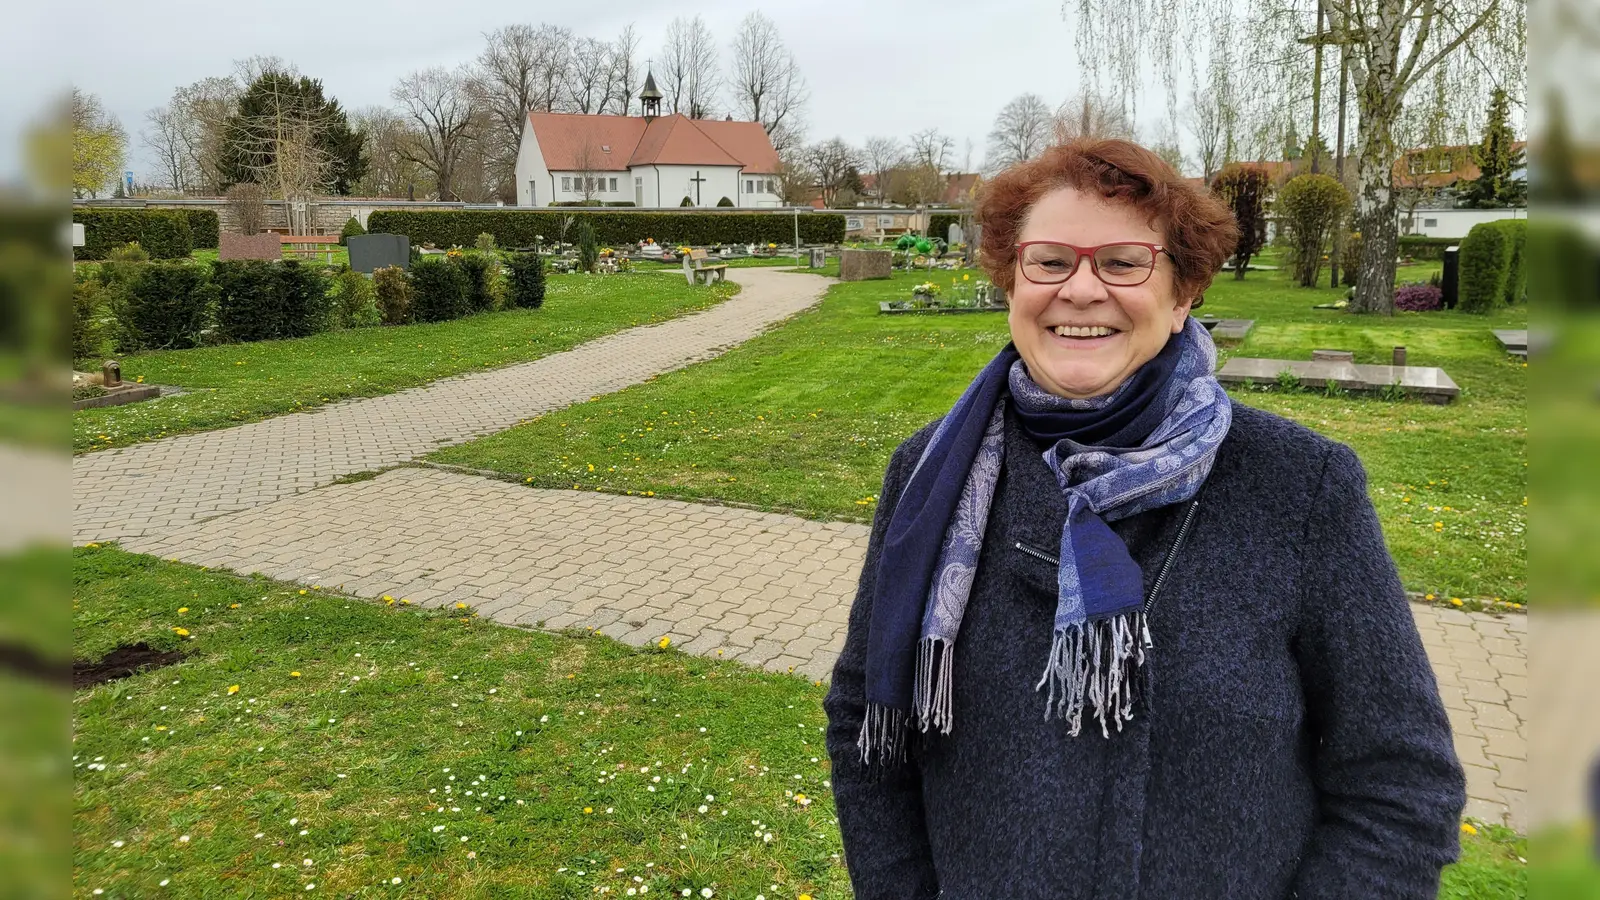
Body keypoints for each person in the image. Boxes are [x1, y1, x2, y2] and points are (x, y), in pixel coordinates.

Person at [823, 139, 1466, 899]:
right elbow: (867, 720)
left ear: (1184, 289)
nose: (1082, 289)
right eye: (1050, 260)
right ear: (1010, 280)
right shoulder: (931, 476)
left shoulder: (1299, 486)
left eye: (1124, 263)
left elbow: (1399, 779)